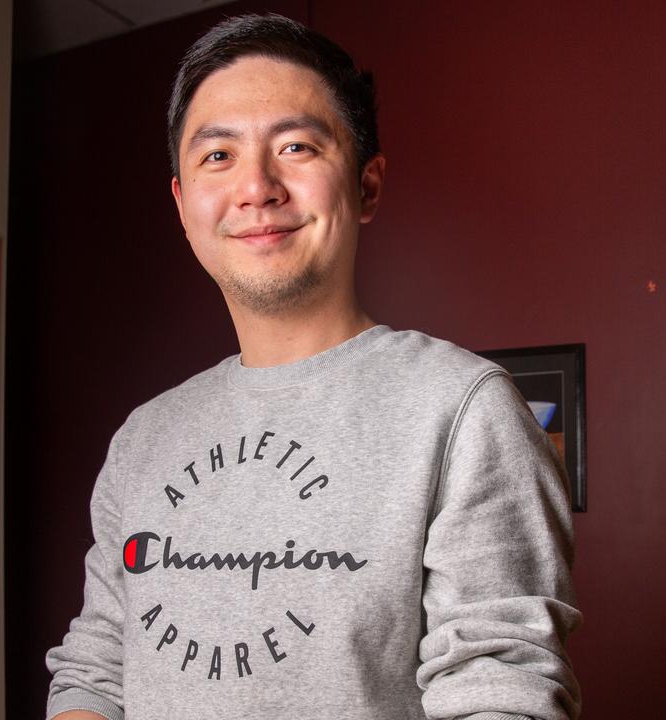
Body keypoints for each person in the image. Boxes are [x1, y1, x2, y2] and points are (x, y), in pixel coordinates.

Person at [45, 13, 581, 720]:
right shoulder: (143, 440)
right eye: (217, 156)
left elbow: (501, 691)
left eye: (296, 146)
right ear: (182, 205)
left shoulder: (461, 409)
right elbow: (96, 671)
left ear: (366, 186)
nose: (257, 186)